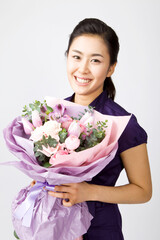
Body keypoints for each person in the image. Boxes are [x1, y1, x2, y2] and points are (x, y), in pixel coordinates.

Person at [48, 18, 152, 239]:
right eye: (76, 57)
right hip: (55, 227)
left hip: (100, 230)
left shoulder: (123, 123)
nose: (83, 69)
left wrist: (88, 192)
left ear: (111, 68)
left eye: (95, 60)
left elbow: (143, 191)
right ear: (67, 58)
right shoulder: (52, 114)